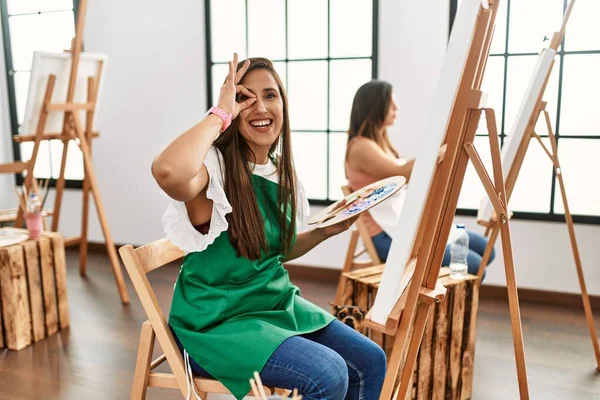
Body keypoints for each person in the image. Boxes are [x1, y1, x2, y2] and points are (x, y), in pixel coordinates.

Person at [152, 54, 386, 400]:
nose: (260, 107)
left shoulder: (276, 168)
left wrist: (324, 231)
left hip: (272, 305)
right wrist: (220, 113)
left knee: (370, 360)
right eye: (245, 98)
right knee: (328, 373)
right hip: (217, 323)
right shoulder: (211, 172)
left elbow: (274, 249)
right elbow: (168, 171)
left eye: (270, 95)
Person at [344, 80, 496, 276]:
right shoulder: (361, 147)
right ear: (375, 106)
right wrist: (439, 143)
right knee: (474, 265)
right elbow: (402, 176)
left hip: (402, 224)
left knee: (486, 250)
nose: (396, 108)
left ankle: (436, 302)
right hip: (384, 234)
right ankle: (436, 304)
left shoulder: (382, 144)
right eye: (390, 103)